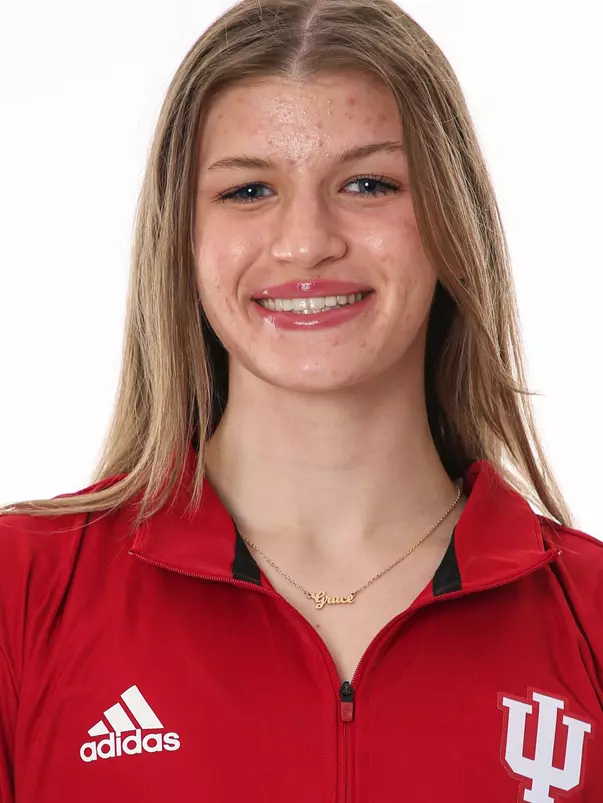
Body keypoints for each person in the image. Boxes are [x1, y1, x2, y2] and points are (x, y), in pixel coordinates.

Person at [1, 0, 601, 800]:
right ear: (183, 239)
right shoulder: (24, 589)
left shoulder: (588, 612)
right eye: (248, 190)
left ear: (453, 225)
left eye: (367, 182)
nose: (305, 241)